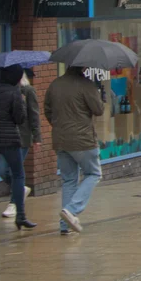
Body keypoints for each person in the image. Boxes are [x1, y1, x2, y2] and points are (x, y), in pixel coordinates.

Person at [45, 66, 107, 233]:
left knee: (69, 180)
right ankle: (71, 210)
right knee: (94, 174)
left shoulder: (54, 85)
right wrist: (99, 93)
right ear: (83, 67)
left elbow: (47, 111)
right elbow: (99, 110)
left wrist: (59, 127)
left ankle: (65, 226)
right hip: (83, 141)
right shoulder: (86, 85)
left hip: (60, 140)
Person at [0, 67, 34, 232]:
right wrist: (22, 103)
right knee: (18, 175)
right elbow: (20, 118)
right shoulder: (14, 92)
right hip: (9, 139)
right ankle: (21, 216)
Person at [0, 72, 41, 219]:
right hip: (6, 138)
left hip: (22, 138)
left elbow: (34, 114)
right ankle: (20, 189)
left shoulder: (28, 91)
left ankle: (13, 203)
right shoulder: (3, 92)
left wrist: (37, 137)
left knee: (15, 170)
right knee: (3, 170)